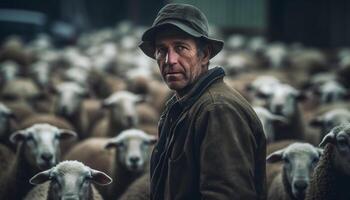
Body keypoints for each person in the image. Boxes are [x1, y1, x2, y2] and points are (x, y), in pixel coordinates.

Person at [139, 3, 266, 200]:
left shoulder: (218, 110)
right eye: (161, 50)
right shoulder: (182, 106)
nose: (169, 60)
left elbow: (227, 194)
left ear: (204, 54)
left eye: (180, 48)